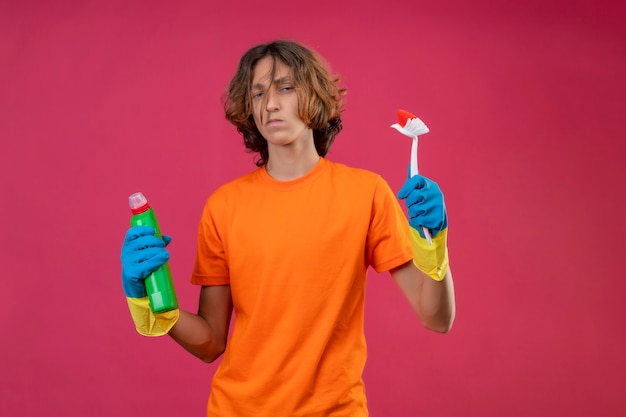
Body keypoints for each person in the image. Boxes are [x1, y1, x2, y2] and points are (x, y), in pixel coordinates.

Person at [120, 39, 456, 417]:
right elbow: (211, 342)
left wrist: (435, 241)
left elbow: (436, 318)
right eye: (258, 92)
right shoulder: (224, 206)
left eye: (284, 87)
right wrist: (147, 300)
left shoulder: (367, 193)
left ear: (313, 95)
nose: (270, 104)